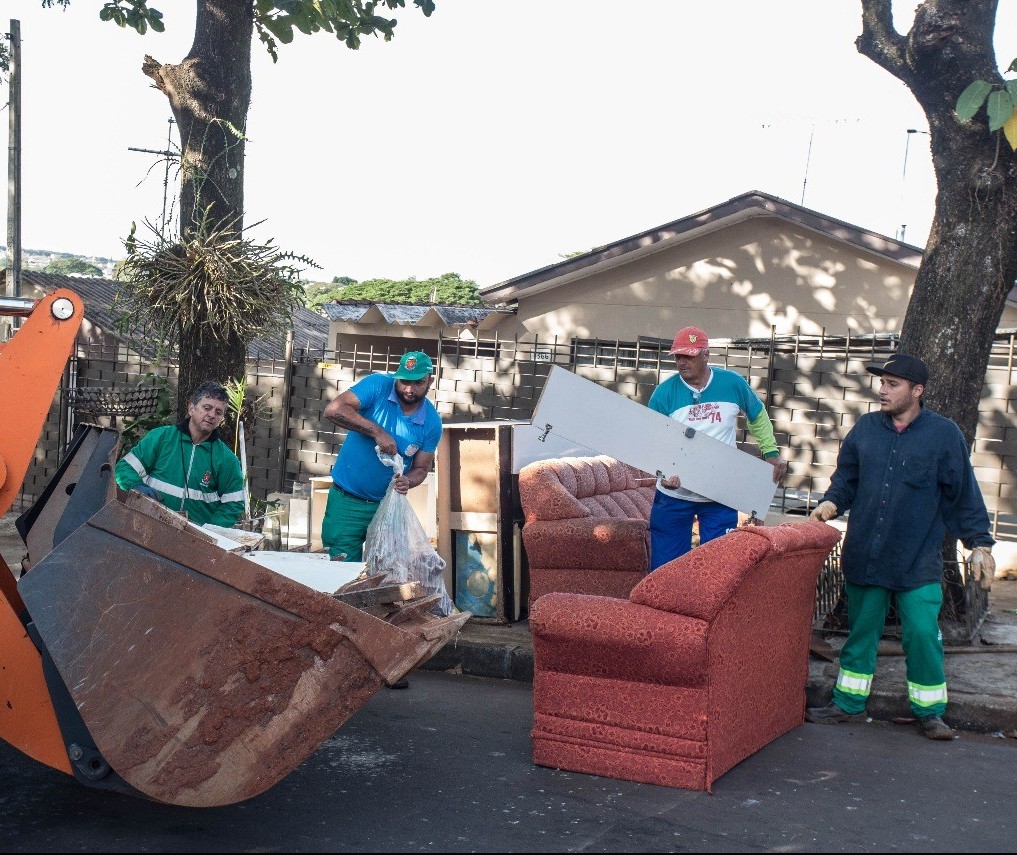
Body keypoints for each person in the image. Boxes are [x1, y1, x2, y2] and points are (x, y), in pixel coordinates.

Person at [806, 353, 995, 740]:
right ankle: (847, 704)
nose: (882, 390)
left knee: (923, 635)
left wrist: (979, 543)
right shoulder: (866, 429)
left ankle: (930, 711)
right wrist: (832, 501)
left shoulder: (944, 436)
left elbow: (963, 495)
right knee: (861, 633)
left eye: (892, 384)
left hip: (916, 560)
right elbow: (847, 478)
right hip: (866, 555)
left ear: (917, 390)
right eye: (882, 382)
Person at [647, 326, 787, 569]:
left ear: (705, 354)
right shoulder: (663, 394)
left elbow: (757, 415)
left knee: (720, 568)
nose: (681, 362)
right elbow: (651, 439)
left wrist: (771, 453)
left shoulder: (732, 384)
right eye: (678, 356)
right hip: (674, 494)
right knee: (664, 570)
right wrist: (660, 470)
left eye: (688, 355)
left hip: (720, 493)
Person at [321, 350, 443, 564]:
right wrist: (376, 432)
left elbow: (421, 469)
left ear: (430, 380)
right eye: (404, 381)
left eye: (418, 383)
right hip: (347, 500)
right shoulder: (377, 385)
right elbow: (334, 410)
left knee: (386, 573)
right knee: (340, 569)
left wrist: (408, 480)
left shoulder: (432, 423)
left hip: (388, 506)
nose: (409, 389)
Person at [115, 380, 246, 526]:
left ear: (221, 418)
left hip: (194, 540)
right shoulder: (161, 437)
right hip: (148, 524)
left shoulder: (227, 459)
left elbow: (233, 504)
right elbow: (124, 468)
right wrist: (135, 485)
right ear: (191, 409)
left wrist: (211, 532)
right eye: (207, 408)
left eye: (218, 412)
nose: (211, 415)